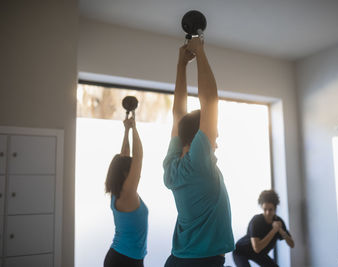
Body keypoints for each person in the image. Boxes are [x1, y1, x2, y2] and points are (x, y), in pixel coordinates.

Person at [162, 37, 234, 267]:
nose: (215, 143)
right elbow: (210, 101)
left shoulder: (172, 166)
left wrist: (181, 65)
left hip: (178, 260)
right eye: (213, 139)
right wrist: (200, 52)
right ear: (198, 140)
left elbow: (178, 114)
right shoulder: (199, 163)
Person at [104, 116, 148, 267]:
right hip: (124, 261)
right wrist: (134, 127)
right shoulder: (127, 194)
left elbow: (126, 156)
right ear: (124, 173)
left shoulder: (118, 192)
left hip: (124, 258)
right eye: (131, 170)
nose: (137, 173)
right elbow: (138, 158)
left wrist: (127, 130)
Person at [233, 190, 294, 267]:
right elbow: (257, 248)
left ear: (275, 209)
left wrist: (282, 232)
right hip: (241, 251)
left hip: (260, 254)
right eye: (265, 209)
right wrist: (274, 230)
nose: (267, 213)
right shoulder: (256, 220)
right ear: (262, 207)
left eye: (270, 210)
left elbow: (292, 244)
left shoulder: (279, 221)